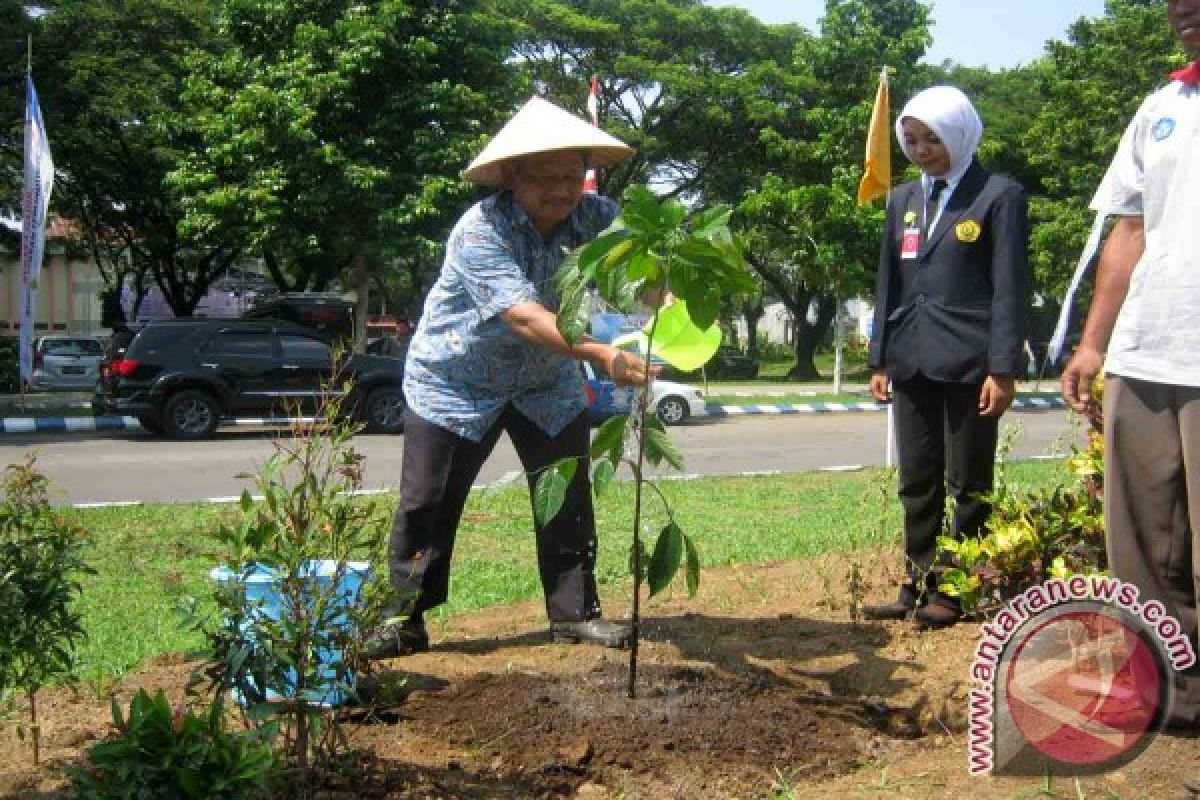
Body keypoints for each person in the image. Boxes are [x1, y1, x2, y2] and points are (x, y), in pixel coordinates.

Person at [367, 97, 653, 659]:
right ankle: (401, 619)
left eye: (572, 175)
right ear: (512, 177)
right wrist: (600, 354)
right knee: (427, 500)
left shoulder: (598, 218)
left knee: (566, 495)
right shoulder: (481, 230)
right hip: (455, 382)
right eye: (546, 177)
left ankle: (575, 614)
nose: (562, 190)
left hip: (546, 384)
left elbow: (636, 276)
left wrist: (665, 288)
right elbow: (523, 315)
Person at [1061, 0, 1200, 743]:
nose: (1183, 7)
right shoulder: (1163, 106)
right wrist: (1093, 343)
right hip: (1148, 350)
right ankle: (1170, 696)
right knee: (1142, 540)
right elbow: (1131, 226)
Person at [863, 86, 1029, 630]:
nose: (920, 149)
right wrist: (879, 358)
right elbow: (888, 284)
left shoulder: (997, 195)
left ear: (959, 133)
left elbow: (1009, 287)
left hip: (971, 364)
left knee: (968, 482)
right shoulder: (903, 200)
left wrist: (1002, 369)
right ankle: (916, 581)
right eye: (910, 139)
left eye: (931, 138)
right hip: (909, 359)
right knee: (917, 477)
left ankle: (957, 589)